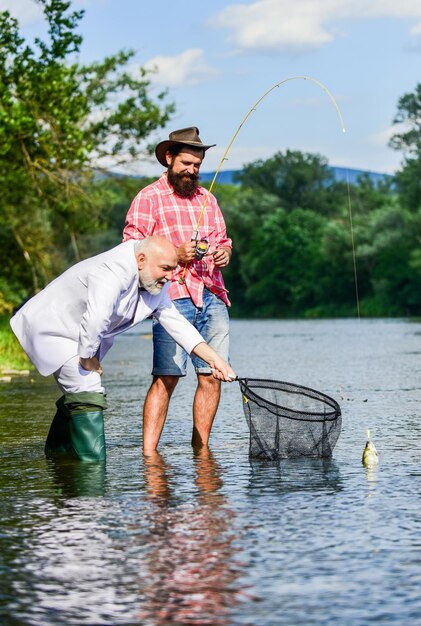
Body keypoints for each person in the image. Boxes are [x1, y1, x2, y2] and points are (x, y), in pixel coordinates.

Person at [10, 236, 235, 462]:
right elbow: (96, 318)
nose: (170, 276)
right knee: (87, 386)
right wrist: (87, 358)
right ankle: (92, 478)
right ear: (140, 259)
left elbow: (178, 326)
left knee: (78, 392)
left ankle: (59, 458)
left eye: (173, 269)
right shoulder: (111, 271)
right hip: (53, 327)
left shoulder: (154, 282)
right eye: (165, 269)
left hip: (80, 334)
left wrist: (215, 360)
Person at [123, 127, 232, 451]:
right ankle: (149, 453)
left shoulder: (207, 200)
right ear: (169, 158)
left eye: (197, 165)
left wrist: (225, 252)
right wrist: (175, 253)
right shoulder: (148, 198)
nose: (192, 171)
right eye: (186, 163)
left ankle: (202, 450)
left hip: (212, 295)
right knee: (166, 377)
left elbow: (223, 240)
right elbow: (131, 249)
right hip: (170, 299)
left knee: (212, 375)